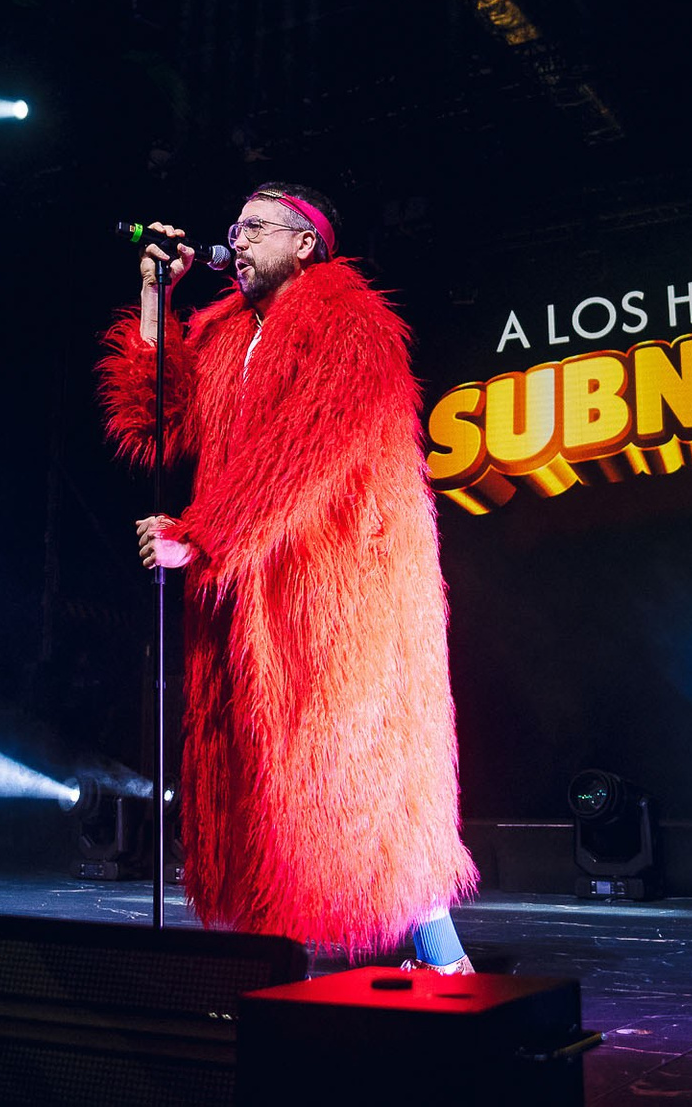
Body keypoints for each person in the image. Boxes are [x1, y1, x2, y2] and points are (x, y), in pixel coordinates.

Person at [97, 182, 478, 967]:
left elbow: (307, 451)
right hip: (250, 588)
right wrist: (153, 298)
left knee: (356, 776)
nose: (235, 239)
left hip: (339, 588)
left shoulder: (351, 322)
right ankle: (274, 977)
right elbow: (153, 422)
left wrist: (202, 538)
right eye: (233, 227)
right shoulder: (225, 332)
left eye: (255, 227)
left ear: (305, 243)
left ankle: (444, 960)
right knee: (261, 789)